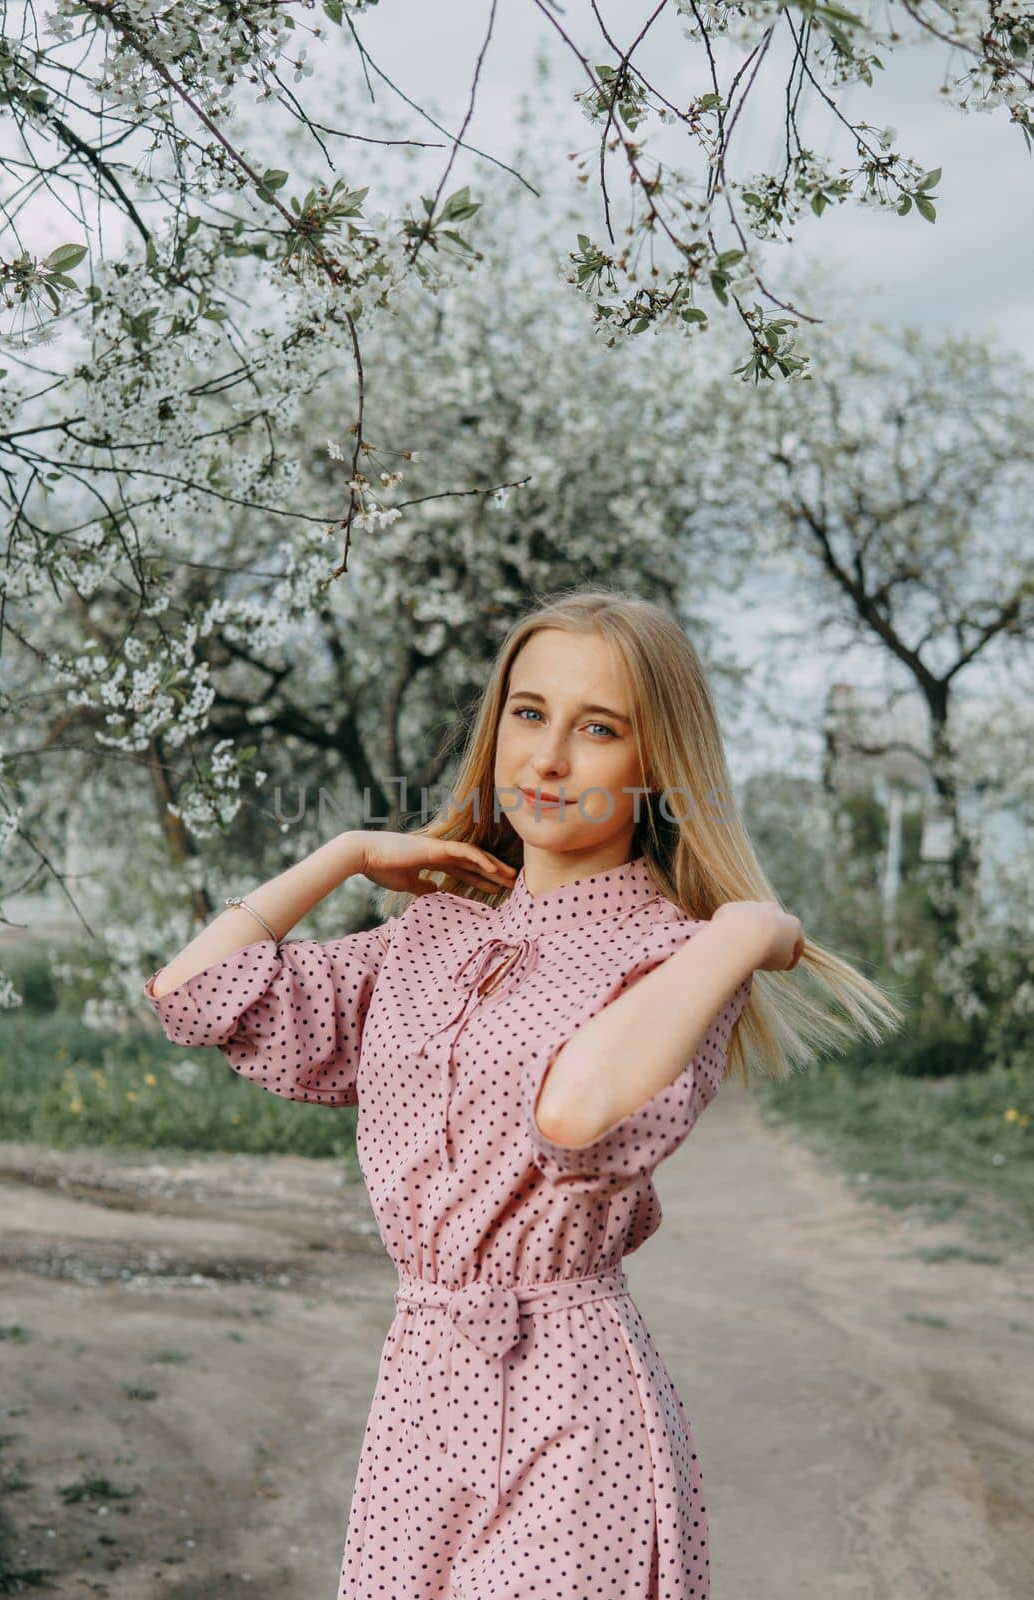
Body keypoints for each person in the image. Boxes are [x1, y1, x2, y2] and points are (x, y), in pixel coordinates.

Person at [144, 588, 904, 1599]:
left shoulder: (672, 955)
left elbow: (573, 1112)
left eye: (598, 729)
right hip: (419, 1395)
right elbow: (190, 995)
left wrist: (736, 935)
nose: (546, 758)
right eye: (528, 712)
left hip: (572, 1405)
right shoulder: (428, 934)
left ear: (654, 765)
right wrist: (345, 855)